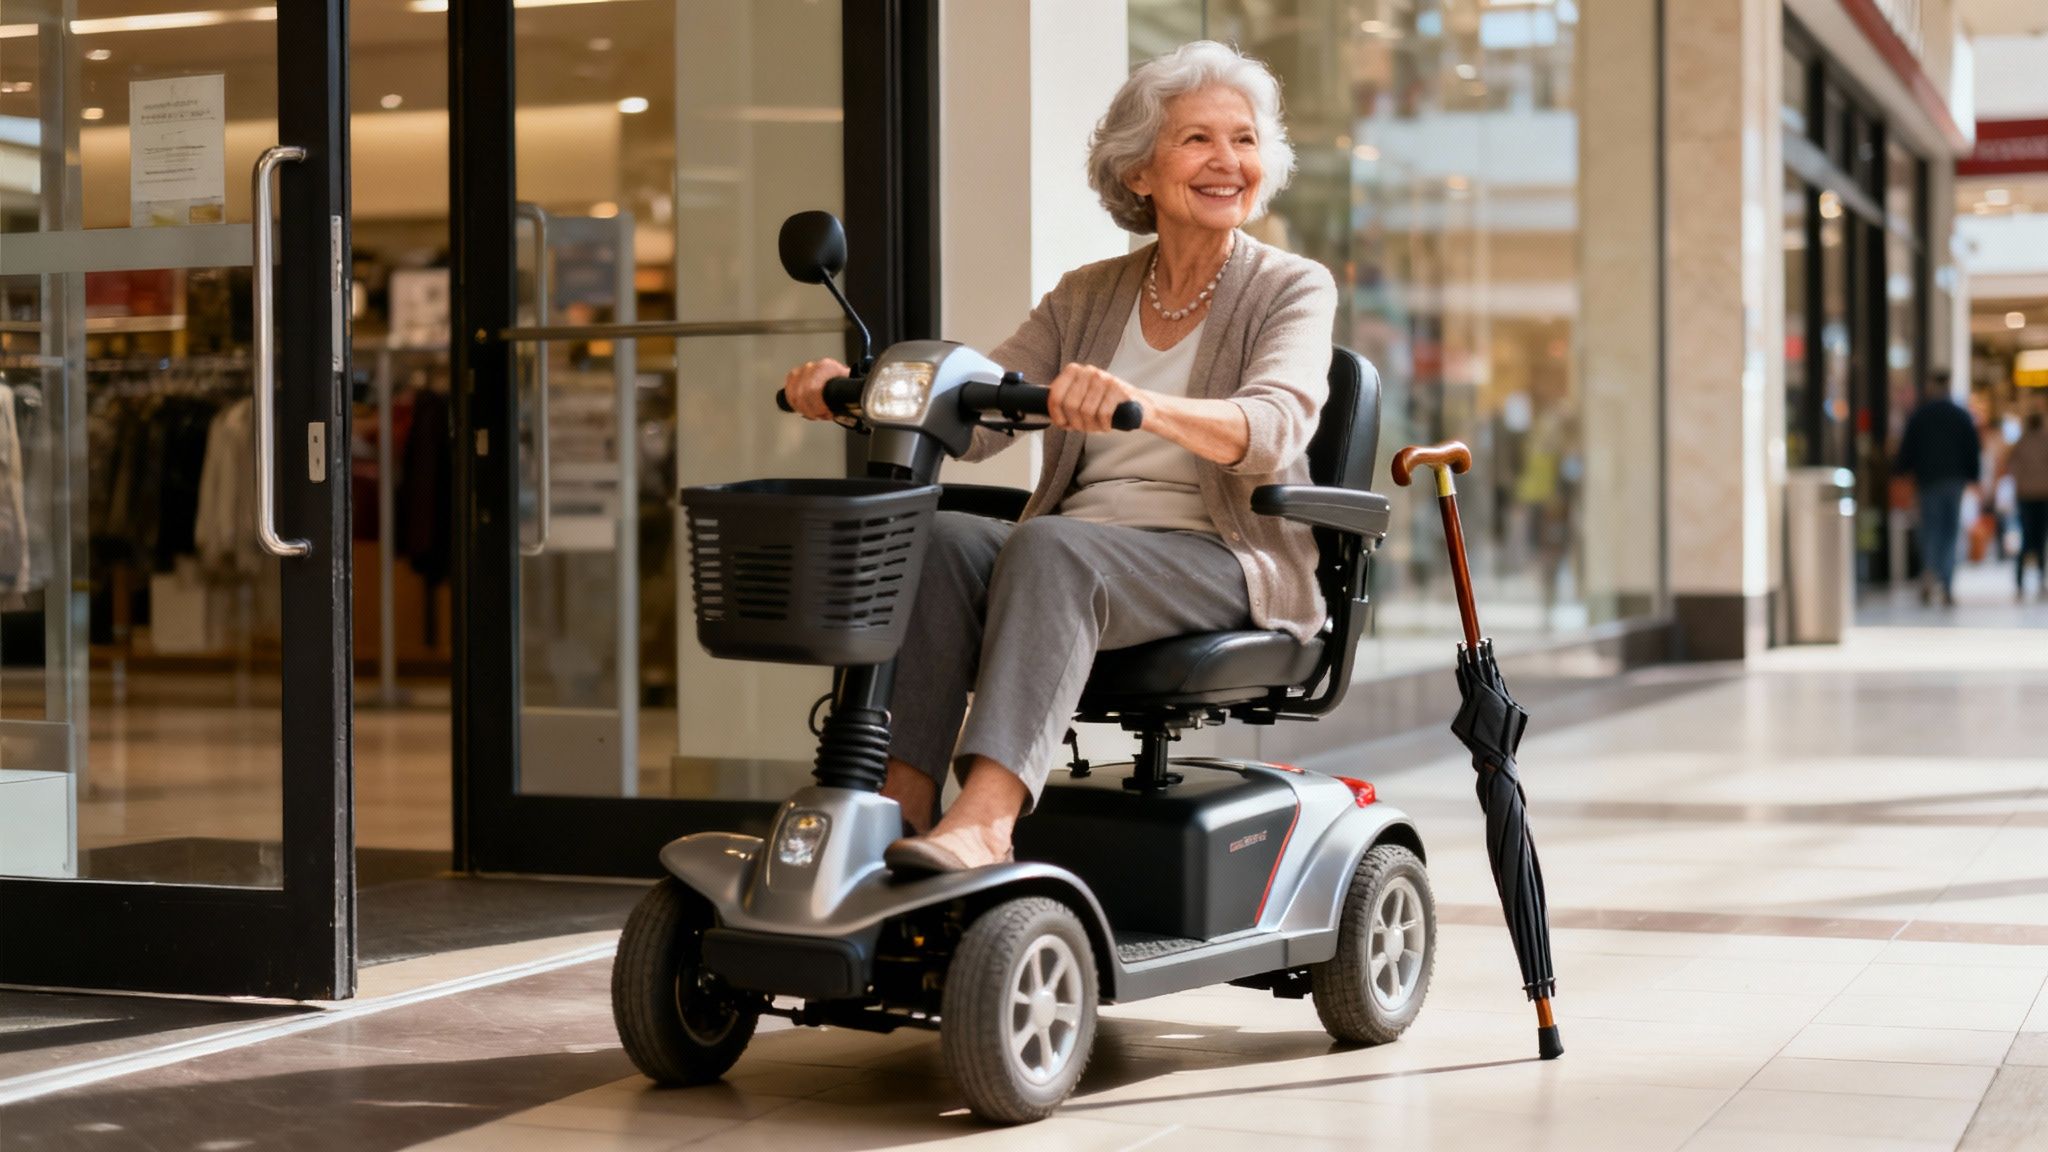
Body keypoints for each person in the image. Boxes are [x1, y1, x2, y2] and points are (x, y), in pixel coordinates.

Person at [783, 41, 1335, 872]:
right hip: (1081, 551)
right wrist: (855, 392)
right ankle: (898, 809)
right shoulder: (1088, 293)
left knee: (1048, 546)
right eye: (1197, 140)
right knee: (935, 538)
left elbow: (1275, 428)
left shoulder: (1291, 287)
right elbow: (979, 415)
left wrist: (1143, 405)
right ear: (1140, 171)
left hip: (1222, 558)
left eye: (1246, 140)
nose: (1228, 162)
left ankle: (987, 822)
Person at [1893, 372, 1982, 606]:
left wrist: (1901, 470)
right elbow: (1972, 448)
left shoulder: (1921, 415)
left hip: (1929, 479)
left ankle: (1930, 572)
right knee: (1950, 530)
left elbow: (1908, 447)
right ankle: (1946, 581)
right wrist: (1973, 475)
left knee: (1930, 528)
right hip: (1953, 480)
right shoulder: (1960, 415)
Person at [2006, 410, 2048, 600]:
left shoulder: (2021, 444)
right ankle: (2040, 580)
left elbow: (2012, 468)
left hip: (2025, 496)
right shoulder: (2045, 442)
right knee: (2040, 539)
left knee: (2026, 538)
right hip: (2042, 495)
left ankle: (2020, 582)